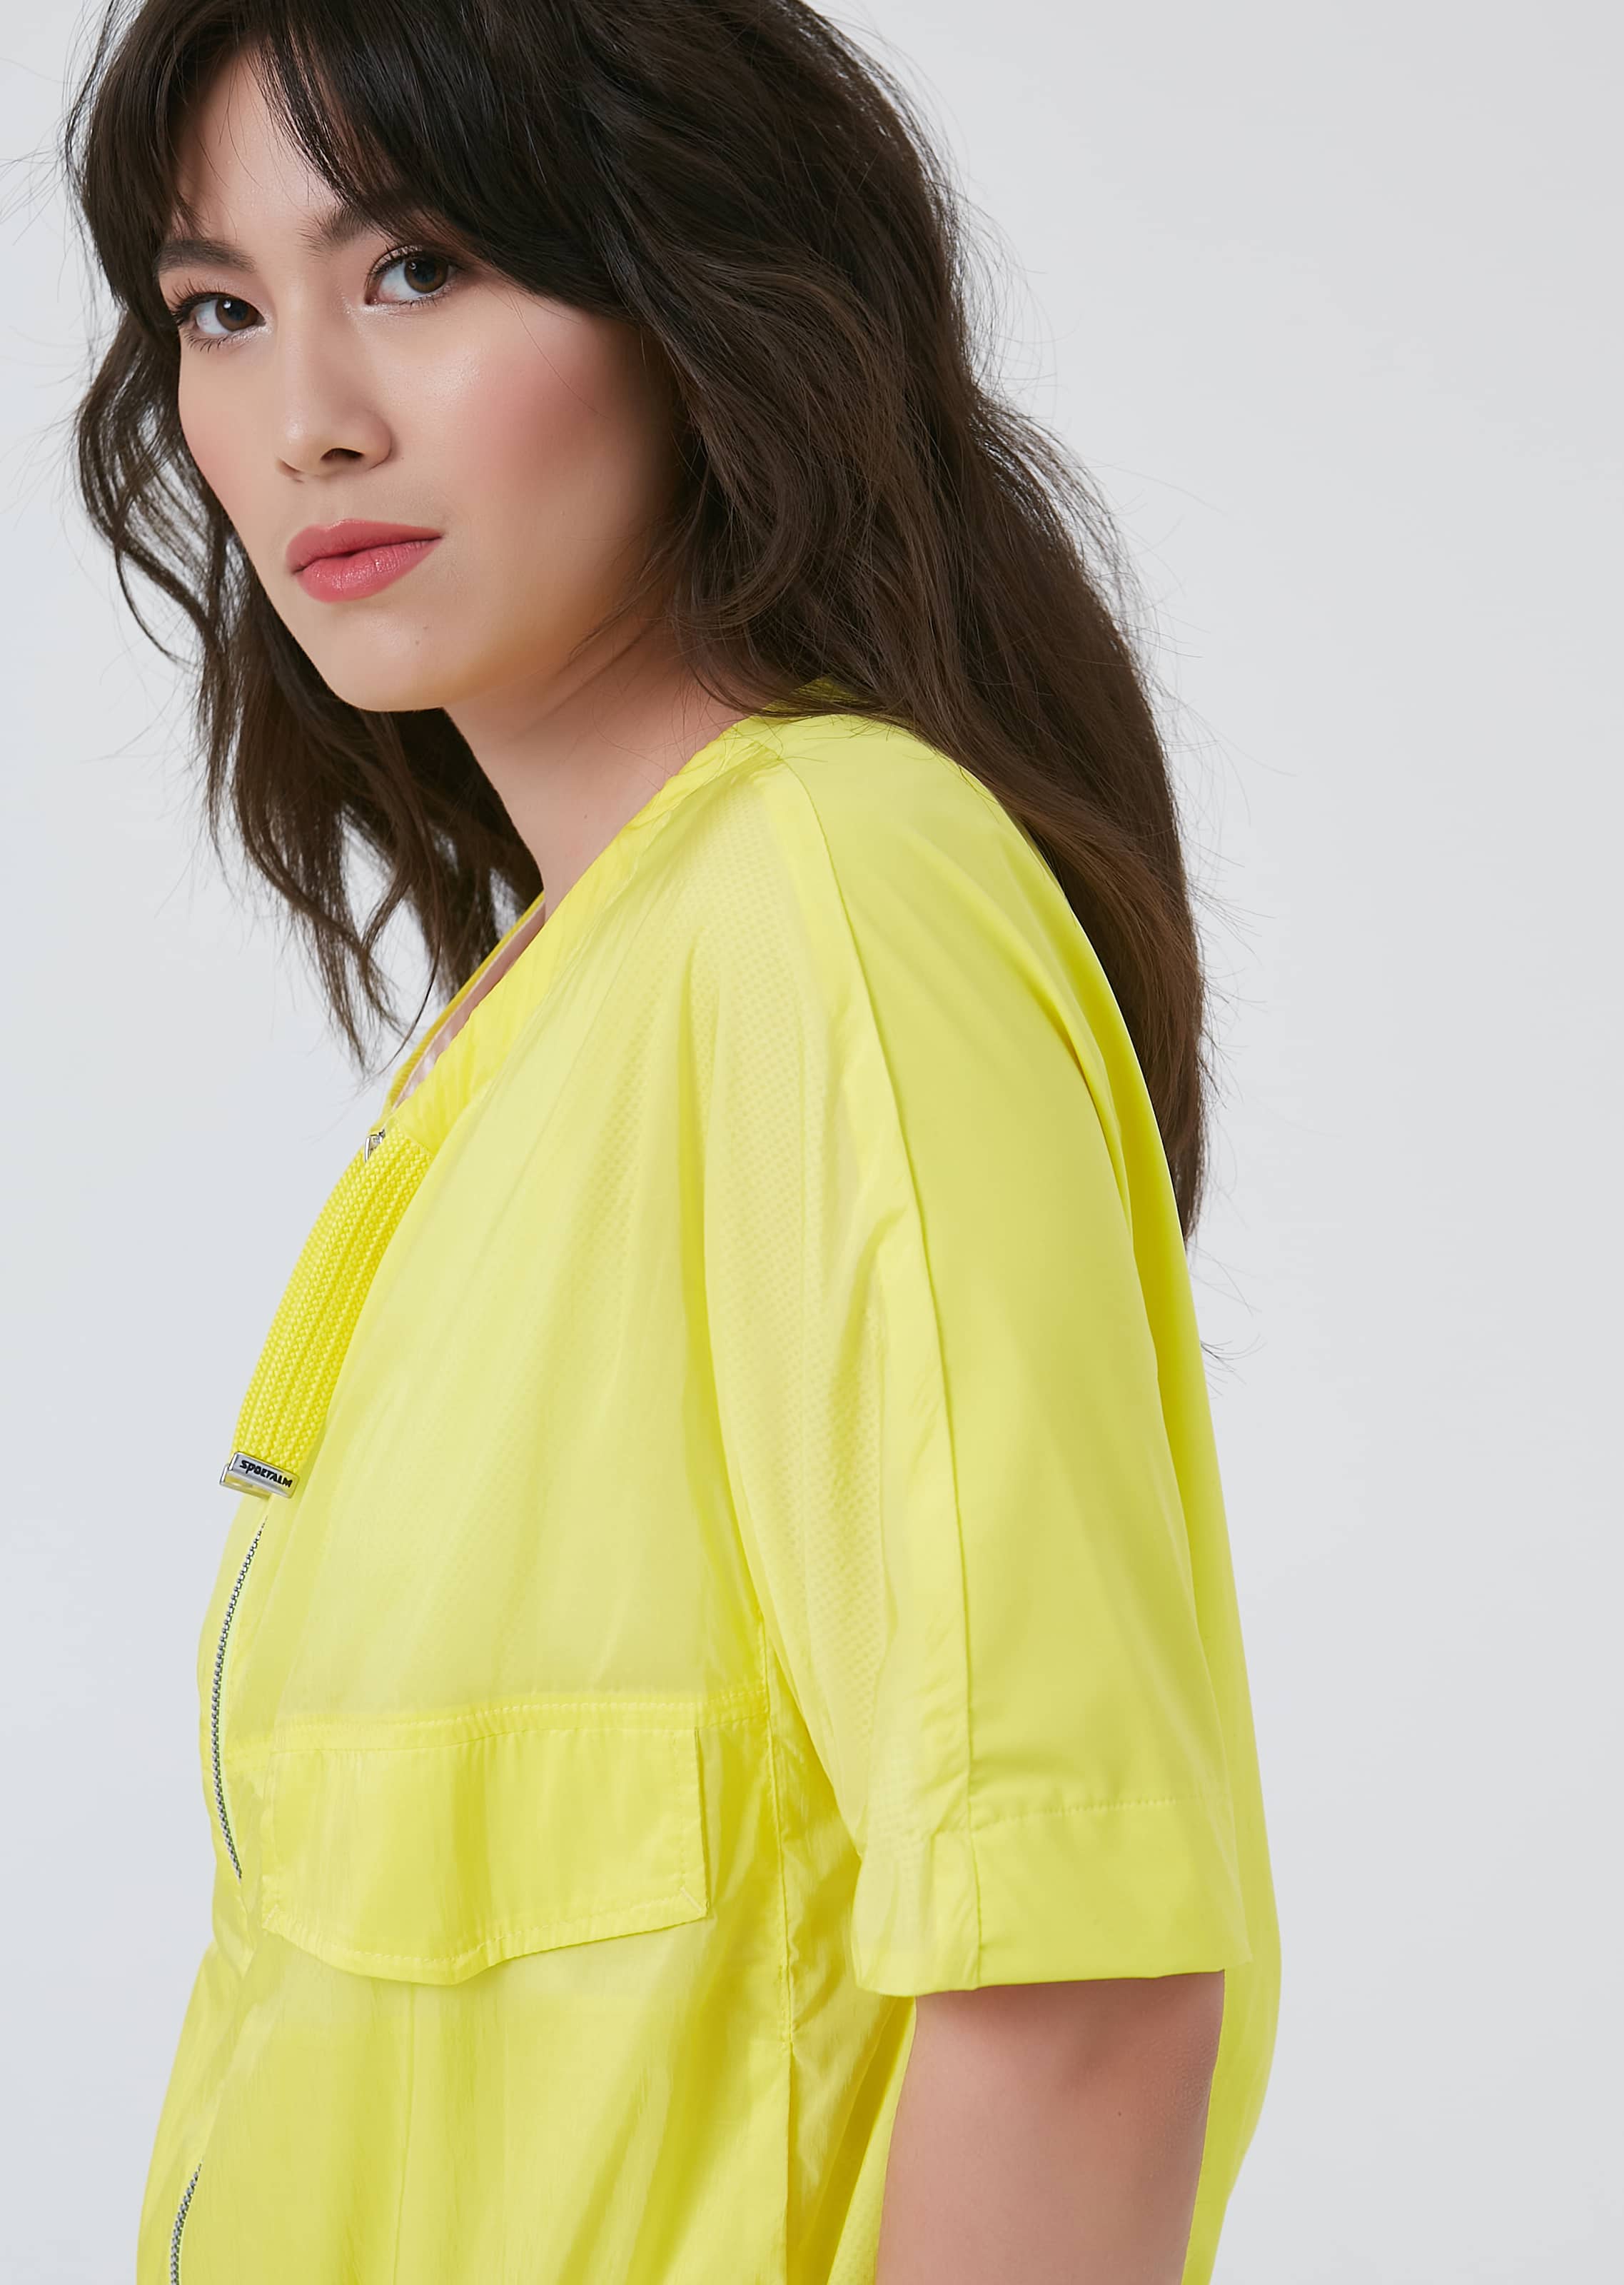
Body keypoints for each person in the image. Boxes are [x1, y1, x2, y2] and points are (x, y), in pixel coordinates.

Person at [59, 1, 1280, 2278]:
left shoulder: (835, 902)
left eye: (417, 268)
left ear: (694, 292)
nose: (307, 419)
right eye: (218, 310)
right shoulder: (546, 1012)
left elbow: (1076, 1990)